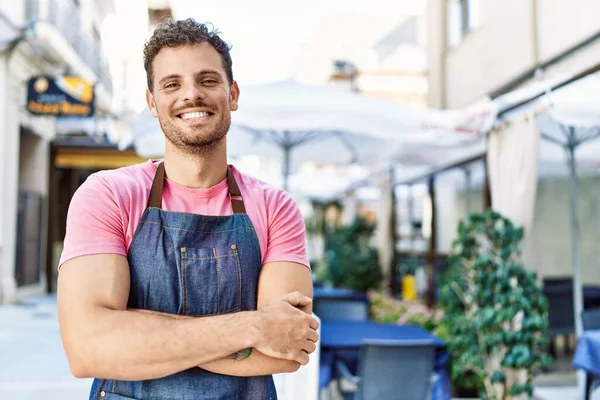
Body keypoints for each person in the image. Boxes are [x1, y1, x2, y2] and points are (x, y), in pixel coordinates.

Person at [57, 18, 319, 400]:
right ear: (152, 102)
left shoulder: (276, 208)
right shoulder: (107, 195)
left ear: (233, 94)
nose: (191, 95)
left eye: (208, 80)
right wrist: (254, 326)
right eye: (172, 84)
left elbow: (287, 348)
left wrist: (139, 338)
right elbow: (89, 348)